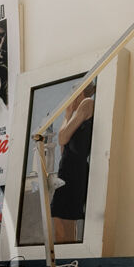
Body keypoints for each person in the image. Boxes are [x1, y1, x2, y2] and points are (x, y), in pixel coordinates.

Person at [48, 84, 97, 243]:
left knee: (65, 222)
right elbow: (63, 148)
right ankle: (66, 254)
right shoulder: (79, 112)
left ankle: (68, 254)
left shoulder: (87, 103)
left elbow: (62, 138)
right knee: (59, 221)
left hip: (74, 173)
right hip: (66, 171)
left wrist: (67, 115)